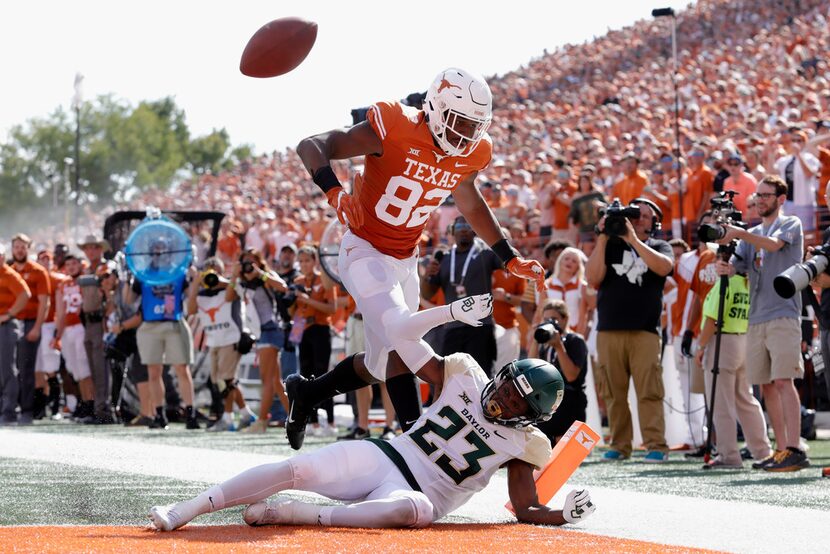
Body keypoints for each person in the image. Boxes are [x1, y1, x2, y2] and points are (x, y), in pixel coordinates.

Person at [148, 300, 595, 532]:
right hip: (389, 454)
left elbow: (525, 507)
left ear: (529, 416)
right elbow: (400, 340)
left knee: (409, 508)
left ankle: (299, 515)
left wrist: (562, 517)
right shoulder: (464, 373)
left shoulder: (526, 443)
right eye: (506, 390)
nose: (503, 403)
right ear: (500, 375)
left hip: (424, 498)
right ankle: (186, 509)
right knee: (298, 466)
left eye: (517, 405)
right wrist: (450, 313)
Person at [290, 67, 545, 449]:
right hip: (364, 248)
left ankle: (308, 393)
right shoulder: (395, 124)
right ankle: (414, 436)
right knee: (401, 333)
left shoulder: (474, 151)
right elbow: (312, 145)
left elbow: (472, 204)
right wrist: (335, 194)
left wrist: (508, 257)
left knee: (381, 363)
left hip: (405, 258)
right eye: (459, 122)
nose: (465, 135)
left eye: (475, 127)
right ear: (437, 108)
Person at [718, 175, 810, 471]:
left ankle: (795, 447)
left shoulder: (790, 223)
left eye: (766, 195)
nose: (759, 200)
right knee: (767, 386)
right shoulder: (752, 231)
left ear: (781, 199)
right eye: (757, 195)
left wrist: (738, 233)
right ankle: (781, 449)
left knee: (784, 380)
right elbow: (739, 268)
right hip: (756, 316)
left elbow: (772, 246)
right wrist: (725, 266)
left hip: (783, 312)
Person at [586, 197, 673, 462]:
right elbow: (592, 278)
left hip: (645, 330)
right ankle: (619, 444)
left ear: (654, 222)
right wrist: (602, 236)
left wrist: (634, 240)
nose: (637, 219)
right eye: (633, 214)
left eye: (643, 216)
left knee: (649, 390)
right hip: (609, 330)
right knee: (614, 392)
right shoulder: (609, 245)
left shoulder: (659, 245)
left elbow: (664, 267)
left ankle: (655, 444)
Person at [694, 264, 772, 469]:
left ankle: (729, 455)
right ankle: (763, 451)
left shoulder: (725, 283)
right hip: (743, 341)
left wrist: (700, 346)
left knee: (722, 403)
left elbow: (712, 320)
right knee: (745, 399)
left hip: (723, 343)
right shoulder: (750, 284)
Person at [420, 216, 502, 376]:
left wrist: (500, 244)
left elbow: (508, 262)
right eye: (459, 226)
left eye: (468, 225)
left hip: (480, 326)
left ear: (474, 231)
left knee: (481, 376)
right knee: (449, 378)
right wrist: (426, 277)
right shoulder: (444, 258)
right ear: (451, 231)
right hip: (453, 327)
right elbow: (427, 293)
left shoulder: (485, 253)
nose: (464, 229)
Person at [131, 238, 199, 430]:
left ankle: (190, 412)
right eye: (156, 249)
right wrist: (127, 277)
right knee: (154, 371)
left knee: (181, 368)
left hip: (173, 323)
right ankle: (159, 414)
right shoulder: (143, 274)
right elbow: (130, 299)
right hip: (150, 325)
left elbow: (191, 300)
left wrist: (195, 279)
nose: (159, 252)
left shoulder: (178, 272)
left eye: (162, 249)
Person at [187, 257, 256, 432]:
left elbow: (229, 295)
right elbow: (191, 310)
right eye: (209, 270)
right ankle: (246, 413)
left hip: (230, 339)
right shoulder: (202, 293)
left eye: (216, 270)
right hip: (214, 340)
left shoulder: (231, 286)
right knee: (223, 381)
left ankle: (227, 418)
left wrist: (228, 278)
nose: (212, 274)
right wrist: (196, 282)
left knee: (226, 381)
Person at [226, 248, 290, 433]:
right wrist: (234, 276)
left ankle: (261, 421)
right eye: (244, 261)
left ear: (258, 262)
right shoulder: (243, 282)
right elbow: (228, 297)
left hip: (271, 329)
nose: (248, 265)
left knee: (267, 379)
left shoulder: (265, 276)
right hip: (260, 331)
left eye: (251, 261)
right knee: (275, 381)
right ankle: (296, 417)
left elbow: (282, 287)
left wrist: (260, 273)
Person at [528, 299, 588, 444]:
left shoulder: (575, 340)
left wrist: (559, 346)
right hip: (547, 402)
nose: (551, 323)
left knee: (564, 449)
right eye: (546, 319)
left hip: (569, 401)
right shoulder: (544, 343)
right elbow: (530, 368)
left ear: (565, 319)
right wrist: (536, 339)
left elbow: (571, 376)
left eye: (554, 319)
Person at [292, 246, 337, 436]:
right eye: (300, 261)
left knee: (322, 375)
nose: (304, 265)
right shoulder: (298, 281)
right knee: (306, 375)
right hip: (303, 330)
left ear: (315, 261)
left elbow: (332, 309)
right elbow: (293, 311)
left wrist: (307, 300)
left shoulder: (324, 280)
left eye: (307, 260)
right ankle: (313, 421)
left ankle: (331, 421)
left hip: (320, 329)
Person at [9, 233, 51, 425]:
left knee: (27, 368)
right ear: (12, 249)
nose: (19, 250)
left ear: (28, 248)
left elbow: (45, 302)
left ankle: (27, 410)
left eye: (23, 246)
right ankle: (9, 408)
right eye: (16, 246)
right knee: (9, 368)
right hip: (9, 323)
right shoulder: (7, 271)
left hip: (29, 323)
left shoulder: (38, 271)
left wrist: (37, 327)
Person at [52, 251, 96, 422]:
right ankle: (83, 403)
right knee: (75, 369)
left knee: (84, 368)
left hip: (81, 327)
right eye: (68, 265)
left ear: (80, 264)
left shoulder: (86, 281)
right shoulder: (63, 285)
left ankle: (90, 405)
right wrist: (58, 335)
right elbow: (61, 312)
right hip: (68, 330)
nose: (71, 267)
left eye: (74, 264)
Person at [77, 234, 115, 424]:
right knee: (93, 367)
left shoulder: (106, 268)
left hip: (101, 321)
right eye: (88, 248)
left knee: (101, 367)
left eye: (94, 248)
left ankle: (103, 409)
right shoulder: (86, 269)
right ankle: (96, 406)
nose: (91, 251)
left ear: (101, 249)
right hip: (89, 322)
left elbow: (111, 295)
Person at [32, 249, 67, 419]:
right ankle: (40, 407)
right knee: (37, 368)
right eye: (42, 259)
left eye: (48, 260)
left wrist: (58, 332)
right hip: (34, 326)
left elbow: (60, 309)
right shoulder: (34, 278)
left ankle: (55, 406)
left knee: (51, 367)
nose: (45, 263)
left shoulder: (57, 280)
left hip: (49, 325)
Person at [0, 242, 31, 425]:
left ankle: (9, 411)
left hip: (6, 325)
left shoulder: (9, 274)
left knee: (7, 369)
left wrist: (9, 314)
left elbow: (25, 295)